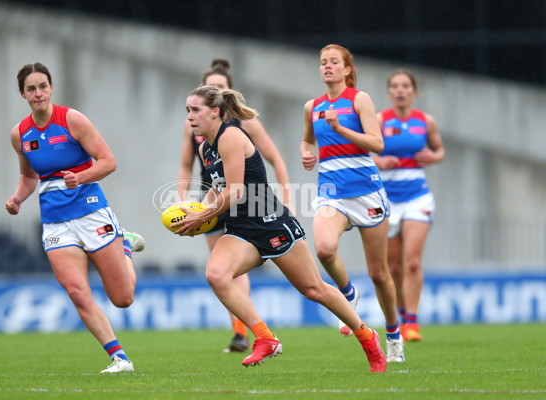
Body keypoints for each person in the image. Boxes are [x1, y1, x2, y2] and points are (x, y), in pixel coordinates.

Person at [173, 84, 387, 373]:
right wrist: (196, 210)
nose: (190, 116)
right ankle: (265, 338)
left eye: (195, 110)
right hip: (240, 229)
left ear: (215, 111)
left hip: (271, 223)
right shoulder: (204, 148)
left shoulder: (232, 137)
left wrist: (203, 217)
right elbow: (218, 188)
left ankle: (367, 337)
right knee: (216, 275)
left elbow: (235, 191)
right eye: (188, 110)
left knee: (315, 289)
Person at [5, 62, 145, 373]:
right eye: (31, 88)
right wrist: (17, 199)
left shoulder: (72, 120)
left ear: (51, 87)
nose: (38, 93)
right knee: (77, 292)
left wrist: (80, 179)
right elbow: (29, 177)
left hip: (92, 213)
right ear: (22, 94)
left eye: (43, 86)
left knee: (123, 299)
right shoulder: (20, 134)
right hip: (55, 223)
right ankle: (120, 358)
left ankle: (126, 246)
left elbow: (108, 162)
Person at [178, 59, 291, 353]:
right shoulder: (196, 130)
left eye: (220, 86)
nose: (215, 90)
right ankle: (244, 333)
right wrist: (184, 205)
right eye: (210, 86)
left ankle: (248, 334)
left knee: (234, 272)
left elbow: (274, 160)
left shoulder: (242, 127)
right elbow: (185, 166)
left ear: (223, 96)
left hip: (244, 204)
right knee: (220, 272)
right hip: (214, 199)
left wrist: (287, 196)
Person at [300, 44, 404, 362]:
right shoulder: (312, 106)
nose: (327, 67)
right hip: (332, 193)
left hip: (366, 193)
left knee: (379, 273)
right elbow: (308, 138)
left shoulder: (359, 99)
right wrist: (306, 151)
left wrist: (340, 128)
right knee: (324, 249)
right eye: (323, 62)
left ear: (347, 70)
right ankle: (348, 293)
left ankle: (394, 336)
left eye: (334, 62)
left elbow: (377, 143)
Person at [373, 68, 445, 342]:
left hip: (417, 197)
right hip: (388, 200)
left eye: (405, 86)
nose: (400, 90)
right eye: (395, 86)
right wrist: (379, 161)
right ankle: (402, 317)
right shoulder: (379, 119)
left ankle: (412, 324)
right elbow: (363, 150)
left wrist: (433, 156)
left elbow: (439, 150)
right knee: (394, 267)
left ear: (414, 91)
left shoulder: (425, 121)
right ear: (390, 91)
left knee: (412, 262)